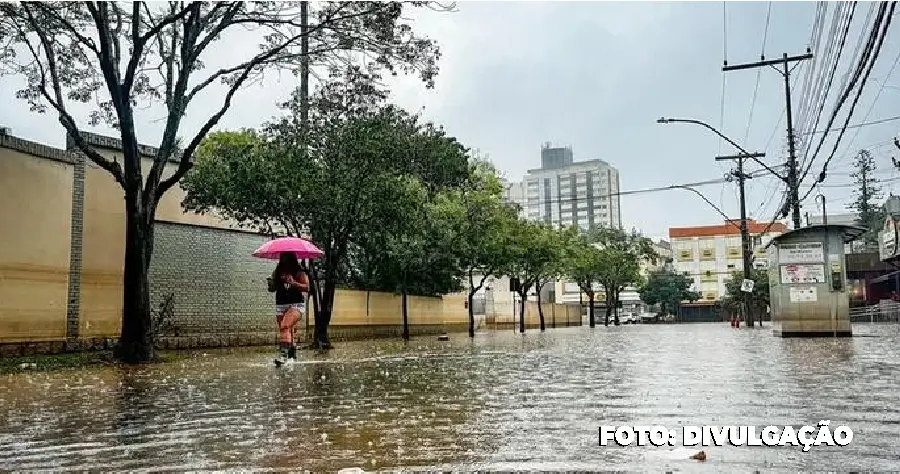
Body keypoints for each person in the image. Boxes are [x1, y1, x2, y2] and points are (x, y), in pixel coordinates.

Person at [267, 252, 309, 364]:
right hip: (281, 304)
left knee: (285, 326)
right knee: (286, 329)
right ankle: (292, 355)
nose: (284, 261)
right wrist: (272, 284)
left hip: (296, 304)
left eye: (287, 259)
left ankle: (283, 356)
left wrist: (294, 283)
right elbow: (272, 289)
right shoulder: (277, 272)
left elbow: (307, 287)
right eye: (282, 258)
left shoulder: (299, 272)